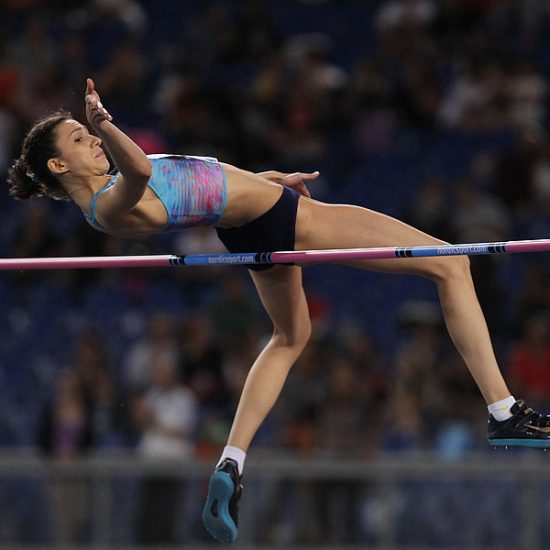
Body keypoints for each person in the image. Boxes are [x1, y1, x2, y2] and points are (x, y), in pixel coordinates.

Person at [7, 78, 550, 544]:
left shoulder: (106, 196)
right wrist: (106, 125)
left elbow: (193, 180)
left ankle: (233, 461)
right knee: (451, 265)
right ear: (59, 165)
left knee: (290, 337)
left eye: (91, 133)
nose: (94, 141)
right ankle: (505, 411)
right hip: (272, 218)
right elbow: (146, 173)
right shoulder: (105, 205)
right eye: (81, 139)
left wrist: (262, 182)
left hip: (251, 215)